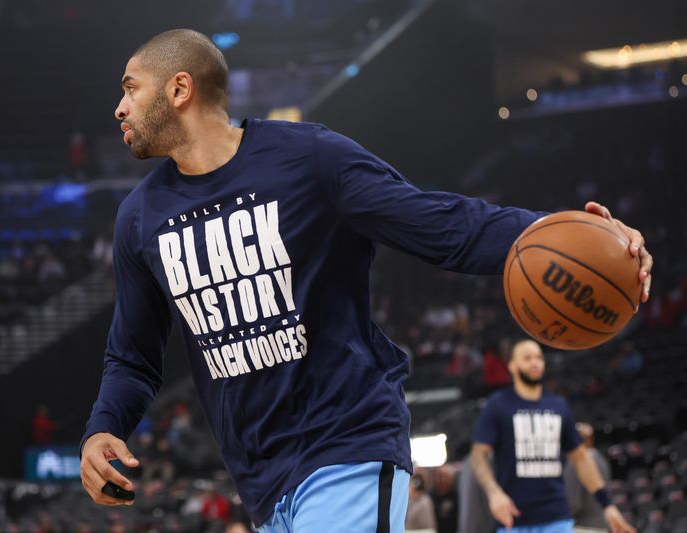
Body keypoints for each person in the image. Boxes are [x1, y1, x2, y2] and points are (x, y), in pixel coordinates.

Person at [79, 29, 653, 533]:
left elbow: (439, 223)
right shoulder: (139, 218)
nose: (119, 107)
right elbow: (132, 358)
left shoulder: (307, 158)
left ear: (180, 89)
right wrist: (103, 429)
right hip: (259, 481)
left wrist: (571, 234)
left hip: (346, 444)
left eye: (130, 87)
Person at [470, 339, 636, 533]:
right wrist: (494, 493)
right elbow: (478, 455)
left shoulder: (558, 405)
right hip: (512, 519)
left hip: (557, 517)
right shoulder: (498, 404)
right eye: (527, 358)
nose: (535, 362)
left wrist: (608, 505)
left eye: (539, 357)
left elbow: (581, 458)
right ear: (512, 366)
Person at [564, 422, 612, 532]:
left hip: (582, 527)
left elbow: (573, 502)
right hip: (601, 526)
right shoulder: (601, 458)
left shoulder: (576, 463)